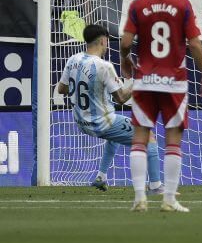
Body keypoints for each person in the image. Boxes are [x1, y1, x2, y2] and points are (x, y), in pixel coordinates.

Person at [120, 0, 202, 212]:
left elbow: (126, 41)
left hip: (145, 80)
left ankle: (139, 198)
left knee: (140, 137)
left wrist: (125, 60)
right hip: (174, 81)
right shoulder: (182, 5)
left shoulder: (138, 6)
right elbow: (194, 44)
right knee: (173, 140)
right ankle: (169, 199)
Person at [57, 24, 164, 194]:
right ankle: (155, 186)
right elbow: (121, 98)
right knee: (148, 136)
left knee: (114, 135)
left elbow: (61, 89)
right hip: (101, 122)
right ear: (102, 40)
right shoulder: (104, 67)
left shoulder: (73, 60)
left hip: (80, 121)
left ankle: (101, 177)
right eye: (107, 41)